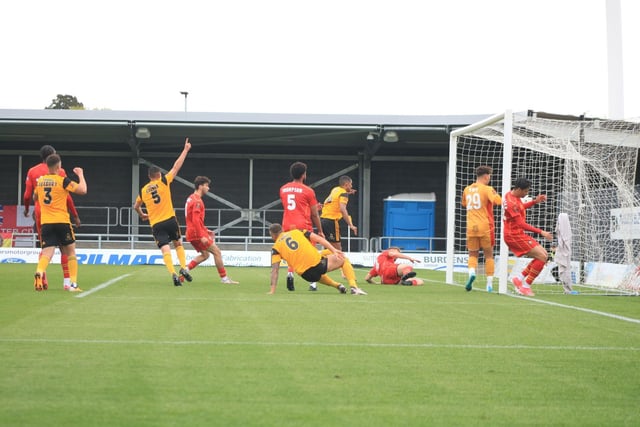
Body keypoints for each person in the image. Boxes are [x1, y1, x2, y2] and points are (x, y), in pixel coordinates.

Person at [134, 138, 192, 287]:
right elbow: (176, 167)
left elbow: (136, 206)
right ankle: (183, 268)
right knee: (178, 244)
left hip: (156, 224)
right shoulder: (164, 181)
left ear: (149, 177)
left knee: (165, 249)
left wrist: (142, 214)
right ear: (159, 175)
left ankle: (173, 273)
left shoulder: (143, 190)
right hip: (170, 219)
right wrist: (185, 150)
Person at [24, 144, 81, 290]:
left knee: (45, 248)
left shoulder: (32, 171)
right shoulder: (60, 172)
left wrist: (26, 209)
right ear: (53, 157)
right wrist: (75, 215)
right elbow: (68, 196)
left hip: (41, 214)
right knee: (66, 249)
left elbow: (28, 195)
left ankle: (42, 277)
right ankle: (67, 282)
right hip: (59, 215)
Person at [268, 223, 366, 295]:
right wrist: (334, 250)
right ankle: (354, 287)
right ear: (282, 230)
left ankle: (338, 286)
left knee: (317, 272)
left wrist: (272, 290)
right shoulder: (297, 232)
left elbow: (275, 270)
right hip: (318, 264)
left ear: (273, 235)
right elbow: (319, 239)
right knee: (343, 258)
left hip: (306, 275)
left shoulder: (275, 248)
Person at [183, 175, 238, 284]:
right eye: (206, 186)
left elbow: (194, 219)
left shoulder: (190, 198)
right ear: (200, 186)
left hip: (191, 232)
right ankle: (224, 279)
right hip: (196, 233)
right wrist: (202, 235)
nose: (208, 188)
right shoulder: (198, 201)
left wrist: (205, 230)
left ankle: (184, 271)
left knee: (205, 255)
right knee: (217, 252)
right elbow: (195, 219)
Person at [503, 177, 553, 296]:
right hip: (513, 236)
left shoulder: (512, 196)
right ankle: (525, 287)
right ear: (519, 189)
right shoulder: (511, 202)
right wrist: (541, 232)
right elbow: (520, 223)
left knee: (544, 255)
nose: (527, 193)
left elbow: (521, 208)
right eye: (525, 191)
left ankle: (519, 278)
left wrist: (535, 201)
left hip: (517, 234)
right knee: (542, 256)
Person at [279, 161, 324, 292]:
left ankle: (290, 274)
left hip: (287, 224)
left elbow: (292, 207)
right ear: (304, 175)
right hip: (302, 225)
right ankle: (313, 283)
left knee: (293, 251)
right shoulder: (308, 191)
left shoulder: (283, 189)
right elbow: (315, 215)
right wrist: (320, 231)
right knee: (311, 253)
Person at [461, 165, 502, 292]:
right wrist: (496, 194)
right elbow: (498, 201)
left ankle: (472, 272)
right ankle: (489, 284)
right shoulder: (487, 189)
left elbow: (464, 204)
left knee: (473, 254)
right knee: (489, 255)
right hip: (485, 226)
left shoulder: (467, 189)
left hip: (470, 226)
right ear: (486, 176)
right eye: (489, 175)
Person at [320, 175, 357, 250]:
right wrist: (351, 225)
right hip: (331, 221)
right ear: (346, 184)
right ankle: (341, 261)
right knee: (337, 249)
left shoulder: (335, 189)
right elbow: (343, 209)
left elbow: (336, 198)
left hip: (323, 220)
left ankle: (325, 261)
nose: (351, 186)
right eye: (351, 184)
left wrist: (348, 192)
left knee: (328, 248)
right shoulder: (344, 194)